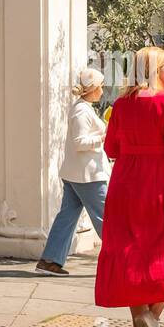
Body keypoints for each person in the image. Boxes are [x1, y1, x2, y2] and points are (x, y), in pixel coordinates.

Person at [95, 46, 164, 327]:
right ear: (156, 70)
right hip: (159, 189)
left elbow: (111, 150)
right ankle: (152, 315)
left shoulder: (121, 104)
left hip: (124, 187)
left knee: (131, 256)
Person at [34, 68, 110, 277]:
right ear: (93, 88)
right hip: (88, 176)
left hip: (78, 174)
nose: (103, 90)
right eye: (101, 86)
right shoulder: (81, 111)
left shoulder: (82, 108)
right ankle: (121, 260)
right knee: (107, 218)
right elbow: (79, 142)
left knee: (66, 217)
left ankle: (50, 260)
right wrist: (104, 137)